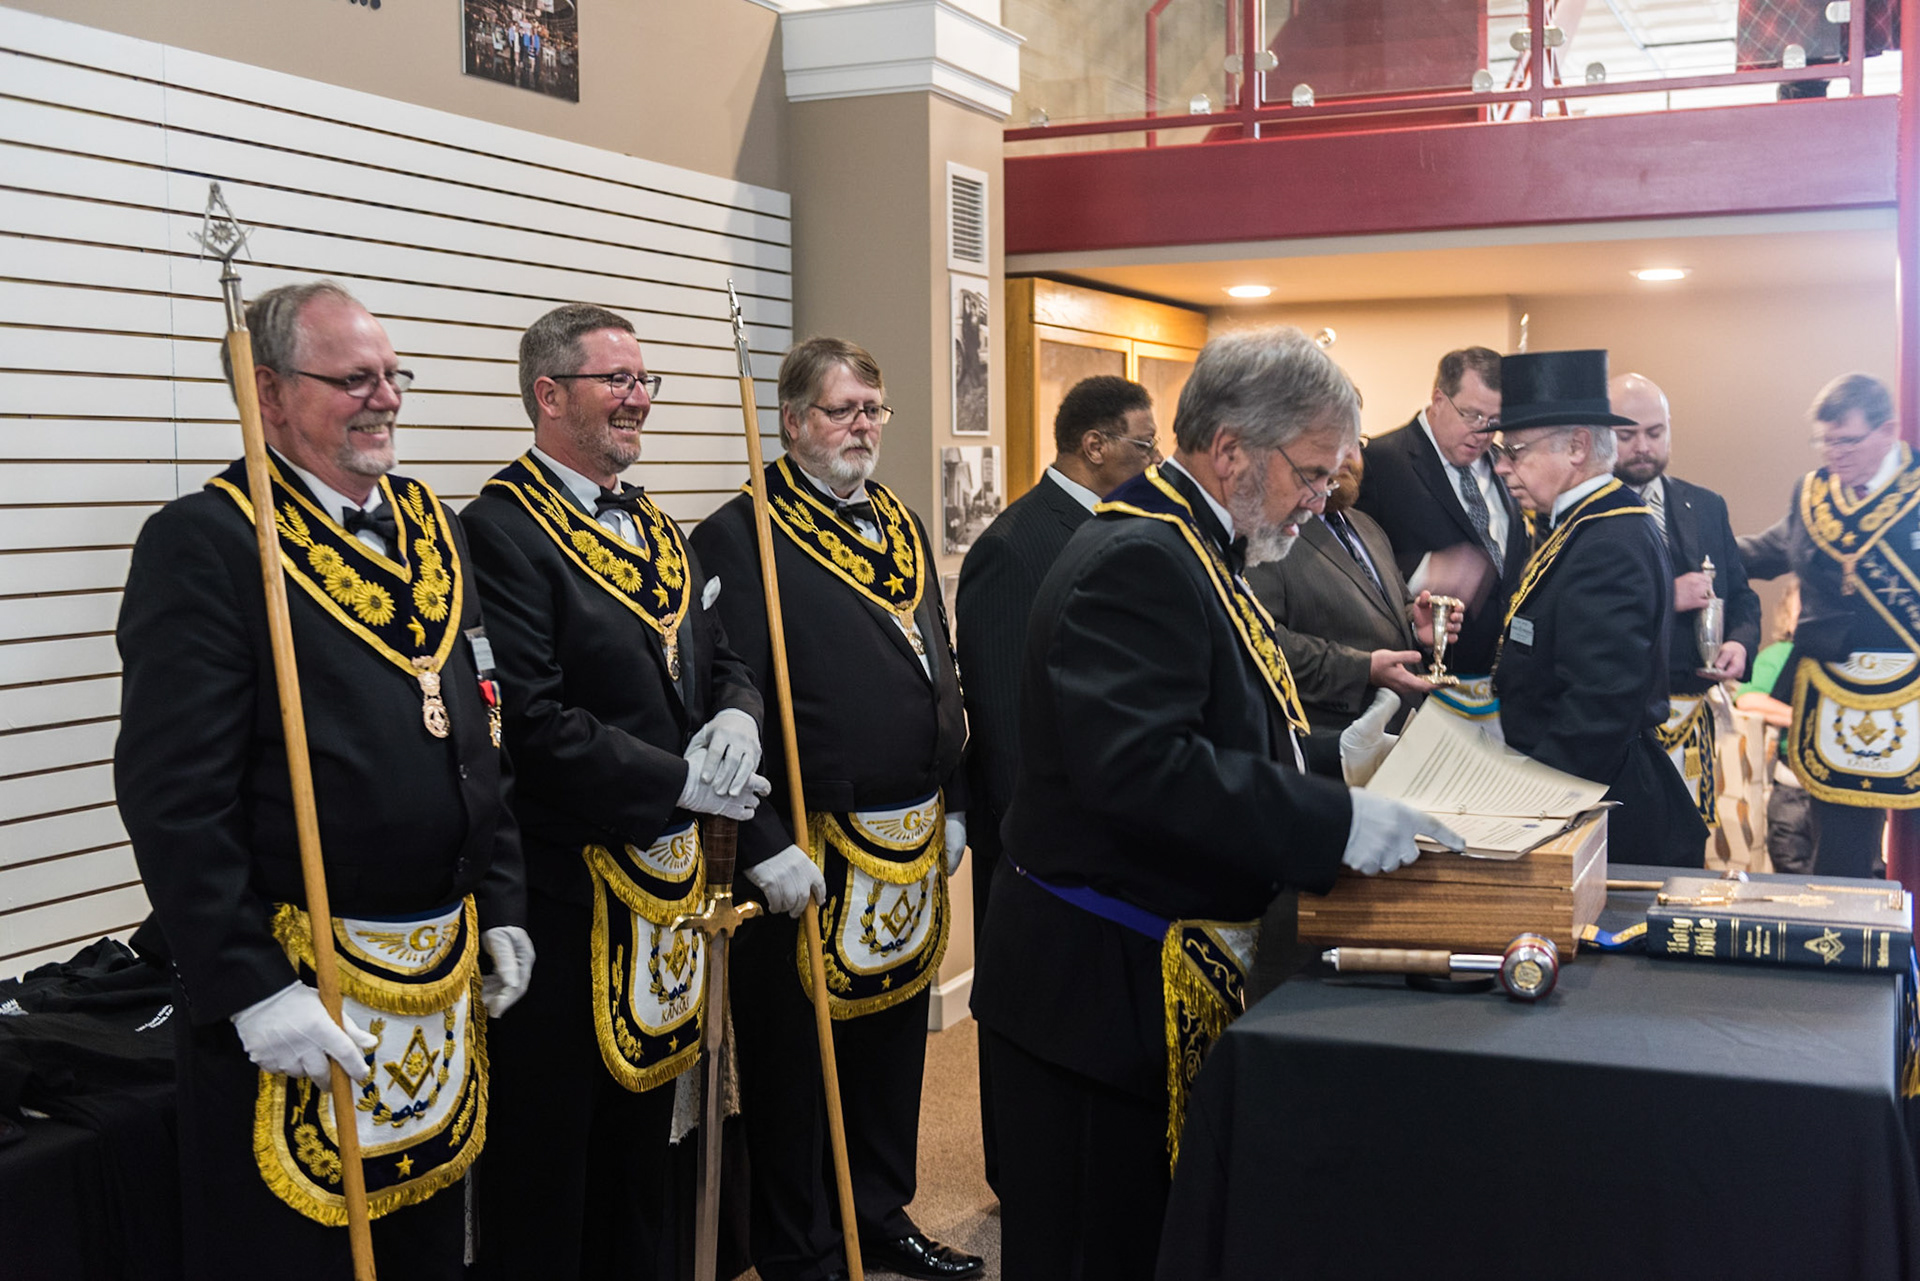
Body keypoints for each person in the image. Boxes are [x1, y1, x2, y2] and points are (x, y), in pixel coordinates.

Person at [970, 326, 1460, 1281]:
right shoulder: (1138, 555)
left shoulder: (1193, 539)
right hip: (1096, 989)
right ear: (1232, 449)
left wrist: (1328, 760)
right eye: (1311, 473)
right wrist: (1338, 820)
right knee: (1097, 1247)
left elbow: (1213, 720)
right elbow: (1144, 769)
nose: (1321, 500)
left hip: (1141, 962)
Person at [113, 280, 530, 1278]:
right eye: (354, 380)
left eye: (393, 375)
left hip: (436, 972)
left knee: (427, 1243)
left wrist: (502, 896)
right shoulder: (207, 540)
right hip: (302, 984)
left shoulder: (432, 521)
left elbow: (480, 726)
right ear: (269, 392)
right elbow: (175, 795)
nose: (386, 398)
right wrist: (250, 986)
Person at [462, 304, 769, 1278]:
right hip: (566, 899)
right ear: (549, 395)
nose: (639, 398)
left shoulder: (656, 521)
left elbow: (721, 656)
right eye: (617, 381)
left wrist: (739, 716)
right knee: (552, 1167)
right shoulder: (499, 529)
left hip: (665, 897)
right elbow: (533, 723)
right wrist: (683, 782)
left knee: (645, 1156)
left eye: (645, 381)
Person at [689, 338, 980, 1281]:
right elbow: (723, 698)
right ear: (790, 420)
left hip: (909, 836)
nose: (862, 426)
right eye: (841, 409)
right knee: (798, 1067)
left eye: (872, 409)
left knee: (891, 1051)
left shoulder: (897, 517)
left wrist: (955, 793)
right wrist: (764, 841)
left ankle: (878, 1210)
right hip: (809, 847)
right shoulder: (740, 533)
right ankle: (803, 1246)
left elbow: (936, 657)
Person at [955, 373, 1158, 1195]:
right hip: (1034, 848)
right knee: (1027, 1025)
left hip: (1096, 840)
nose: (1155, 460)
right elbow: (1004, 724)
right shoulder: (1016, 544)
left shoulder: (1121, 528)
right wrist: (1034, 847)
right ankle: (1017, 1178)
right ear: (1094, 445)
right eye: (1145, 444)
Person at [1489, 349, 1707, 866]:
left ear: (1577, 447)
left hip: (1596, 806)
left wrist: (1529, 806)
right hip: (1583, 789)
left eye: (1514, 451)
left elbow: (1597, 708)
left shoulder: (1608, 539)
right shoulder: (1584, 523)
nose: (1502, 467)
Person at [1738, 373, 1918, 878]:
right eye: (1825, 441)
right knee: (1838, 855)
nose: (1834, 454)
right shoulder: (1812, 494)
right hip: (1832, 692)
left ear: (1888, 431)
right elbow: (1766, 552)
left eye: (1848, 441)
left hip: (1914, 691)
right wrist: (1690, 547)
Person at [1609, 372, 1761, 829]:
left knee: (1688, 844)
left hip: (1693, 713)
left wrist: (1738, 644)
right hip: (1619, 721)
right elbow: (1578, 614)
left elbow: (1742, 598)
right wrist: (1666, 595)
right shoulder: (1581, 510)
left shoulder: (1707, 506)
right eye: (1627, 435)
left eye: (1655, 433)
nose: (1643, 447)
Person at [1355, 346, 1530, 731]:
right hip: (1424, 682)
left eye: (1495, 420)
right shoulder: (1381, 461)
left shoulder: (1505, 465)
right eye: (1472, 415)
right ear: (1438, 399)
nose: (1483, 431)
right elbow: (1352, 560)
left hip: (1503, 687)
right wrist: (1424, 571)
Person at [1249, 444, 1454, 733]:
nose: (1351, 456)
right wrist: (1363, 669)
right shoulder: (1269, 532)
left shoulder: (1365, 525)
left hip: (1405, 731)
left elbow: (1393, 606)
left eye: (1355, 442)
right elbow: (1262, 642)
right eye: (1336, 441)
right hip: (1334, 740)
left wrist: (1415, 625)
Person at [1735, 583, 1814, 873]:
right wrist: (1803, 720)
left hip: (1844, 794)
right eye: (1802, 609)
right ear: (1788, 617)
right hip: (1794, 790)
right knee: (1792, 874)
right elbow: (1747, 699)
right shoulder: (1780, 655)